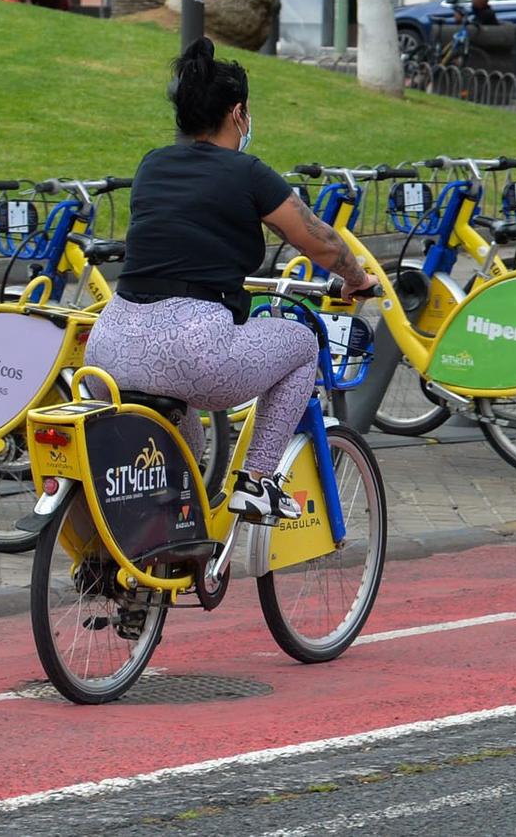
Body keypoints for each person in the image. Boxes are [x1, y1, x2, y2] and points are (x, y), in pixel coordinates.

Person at [83, 39, 377, 523]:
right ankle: (258, 482)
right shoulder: (247, 173)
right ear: (238, 114)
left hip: (110, 348)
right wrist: (356, 278)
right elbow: (318, 240)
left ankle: (165, 548)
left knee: (184, 454)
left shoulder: (152, 164)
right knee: (303, 344)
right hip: (191, 351)